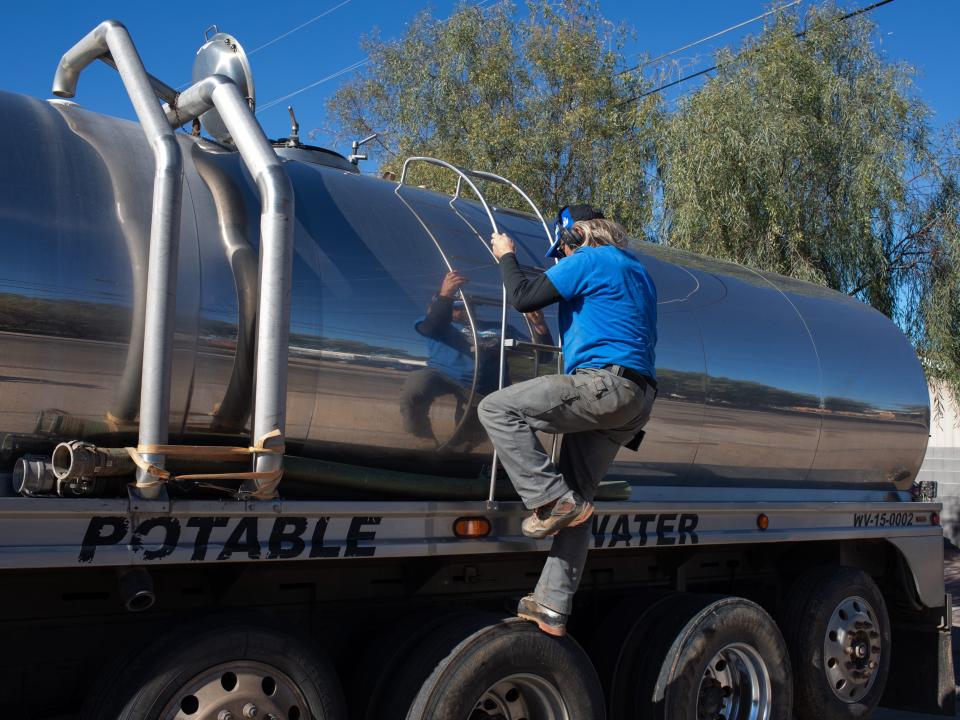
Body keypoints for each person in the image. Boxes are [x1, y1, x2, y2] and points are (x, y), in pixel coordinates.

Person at [477, 204, 658, 637]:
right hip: (637, 396)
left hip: (603, 384)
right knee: (580, 502)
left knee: (496, 408)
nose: (562, 258)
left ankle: (547, 498)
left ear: (577, 237)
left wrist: (506, 254)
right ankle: (552, 606)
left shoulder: (590, 260)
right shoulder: (637, 272)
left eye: (563, 247)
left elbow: (523, 294)